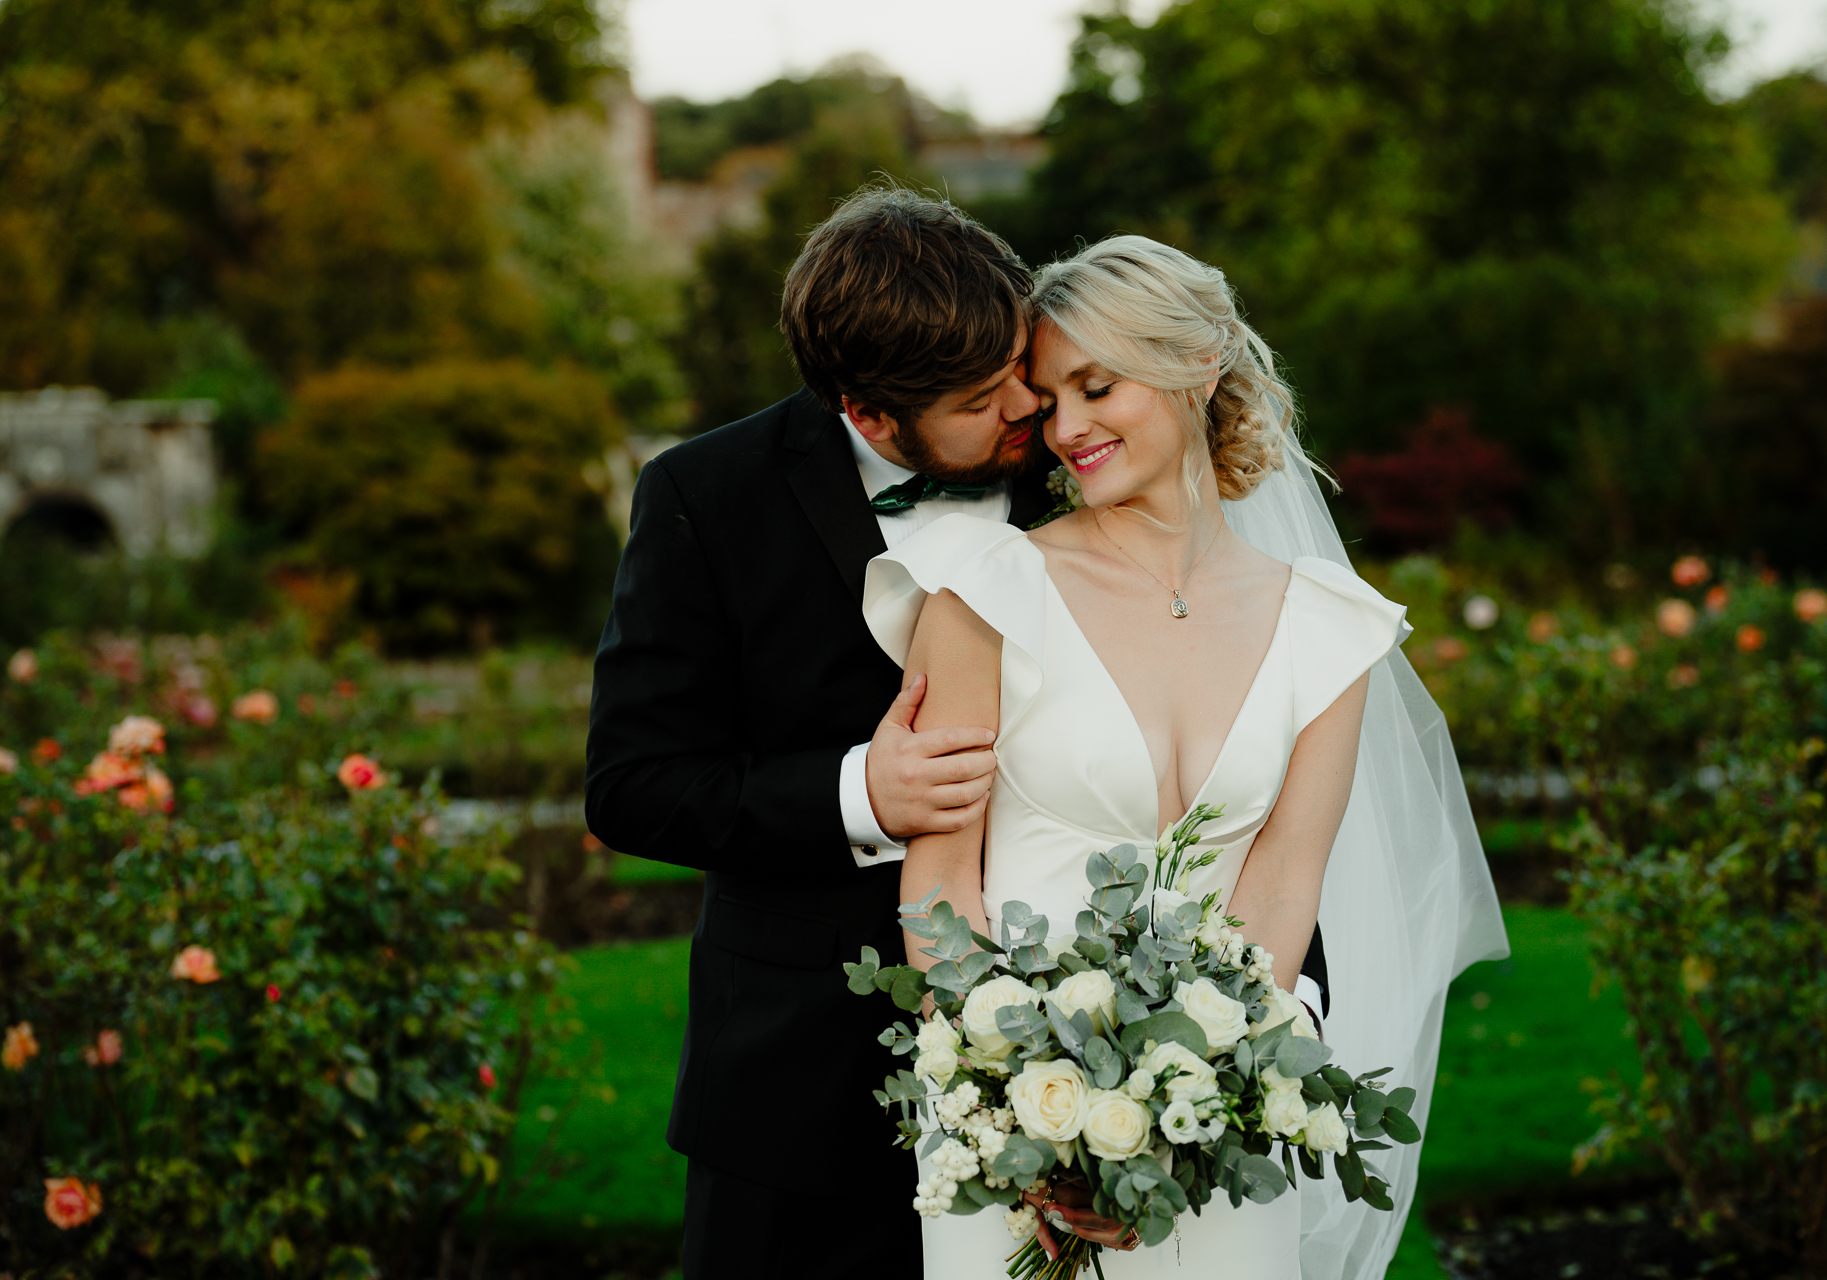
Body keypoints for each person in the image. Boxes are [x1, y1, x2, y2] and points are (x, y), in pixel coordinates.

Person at [862, 236, 1508, 1277]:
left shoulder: (1327, 630)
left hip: (1216, 1123)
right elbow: (940, 884)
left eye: (1096, 386)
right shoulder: (982, 591)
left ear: (1197, 366)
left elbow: (1283, 888)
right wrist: (1022, 1118)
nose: (1065, 429)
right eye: (1048, 397)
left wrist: (1179, 1111)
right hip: (1007, 1125)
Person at [583, 187, 1050, 1279]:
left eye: (1020, 364)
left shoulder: (1075, 468)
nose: (1029, 404)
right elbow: (633, 782)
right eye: (985, 396)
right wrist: (861, 796)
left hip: (1065, 1064)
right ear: (870, 412)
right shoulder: (705, 493)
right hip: (793, 1087)